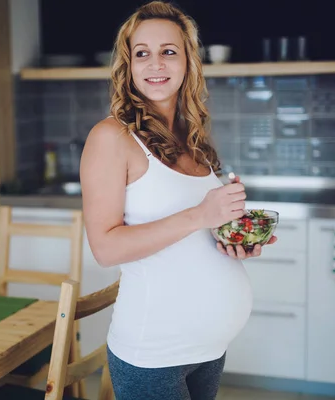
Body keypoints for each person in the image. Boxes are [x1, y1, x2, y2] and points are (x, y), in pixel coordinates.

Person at [79, 1, 277, 399]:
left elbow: (194, 232)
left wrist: (230, 240)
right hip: (154, 352)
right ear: (128, 65)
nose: (156, 64)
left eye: (168, 51)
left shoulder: (192, 139)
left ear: (188, 62)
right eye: (142, 53)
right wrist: (200, 214)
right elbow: (105, 247)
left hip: (208, 349)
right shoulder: (111, 137)